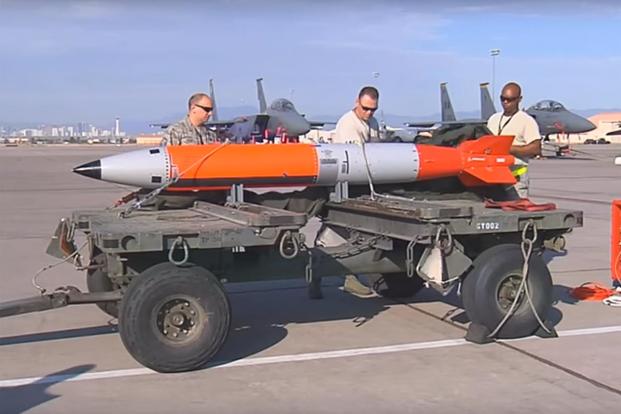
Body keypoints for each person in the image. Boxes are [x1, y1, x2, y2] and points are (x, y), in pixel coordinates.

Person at [315, 86, 382, 298]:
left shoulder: (372, 122)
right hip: (343, 185)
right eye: (365, 108)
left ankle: (316, 277)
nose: (369, 113)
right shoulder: (348, 123)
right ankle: (348, 276)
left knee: (338, 230)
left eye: (373, 109)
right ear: (356, 102)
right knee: (345, 230)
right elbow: (353, 159)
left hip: (359, 184)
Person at [487, 82, 541, 199]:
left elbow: (536, 148)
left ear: (519, 99)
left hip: (516, 177)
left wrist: (507, 148)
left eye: (510, 99)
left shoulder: (526, 120)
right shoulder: (493, 119)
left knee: (516, 207)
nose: (505, 102)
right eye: (502, 99)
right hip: (495, 175)